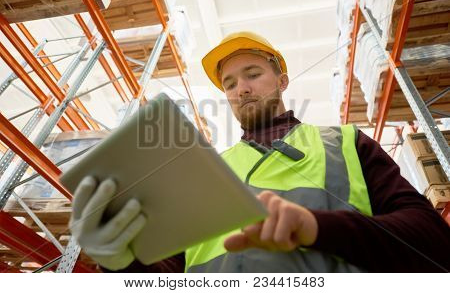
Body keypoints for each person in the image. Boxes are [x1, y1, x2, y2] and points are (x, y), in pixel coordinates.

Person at [70, 32, 450, 272]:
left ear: (282, 81)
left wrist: (317, 228)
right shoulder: (208, 169)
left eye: (252, 74)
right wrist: (122, 261)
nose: (240, 89)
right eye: (230, 83)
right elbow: (177, 269)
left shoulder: (345, 141)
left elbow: (432, 241)